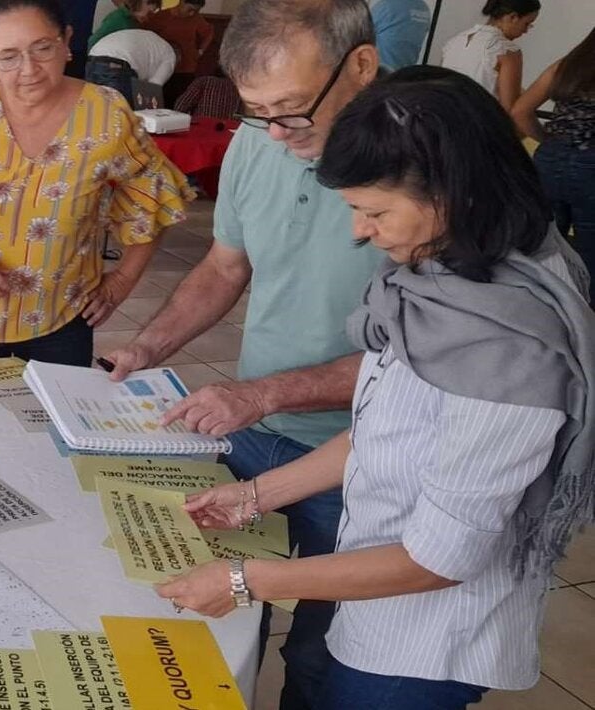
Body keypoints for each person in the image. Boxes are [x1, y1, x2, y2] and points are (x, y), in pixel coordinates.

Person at [159, 66, 594, 710]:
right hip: (371, 595)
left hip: (418, 644)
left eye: (374, 211)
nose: (360, 232)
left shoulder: (510, 346)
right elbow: (389, 426)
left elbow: (435, 560)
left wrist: (246, 580)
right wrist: (256, 495)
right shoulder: (446, 281)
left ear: (454, 191)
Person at [99, 0, 385, 706]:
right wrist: (146, 346)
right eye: (258, 113)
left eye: (291, 110)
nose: (277, 134)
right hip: (252, 433)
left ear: (362, 67)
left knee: (327, 654)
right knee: (206, 607)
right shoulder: (261, 139)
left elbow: (416, 368)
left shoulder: (422, 169)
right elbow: (226, 267)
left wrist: (257, 395)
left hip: (363, 458)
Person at [0, 0, 193, 366]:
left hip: (63, 321)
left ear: (67, 42)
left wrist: (121, 282)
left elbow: (155, 197)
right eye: (9, 56)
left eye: (43, 48)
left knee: (55, 421)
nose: (29, 70)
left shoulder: (107, 114)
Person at [513, 28, 595, 297]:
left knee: (540, 243)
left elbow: (520, 111)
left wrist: (549, 140)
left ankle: (533, 306)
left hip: (549, 159)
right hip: (590, 166)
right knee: (589, 251)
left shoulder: (567, 66)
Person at [440, 0, 539, 110]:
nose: (525, 31)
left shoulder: (452, 42)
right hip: (479, 123)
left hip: (443, 118)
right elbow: (509, 110)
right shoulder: (508, 51)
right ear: (513, 17)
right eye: (527, 24)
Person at [142, 0, 213, 106]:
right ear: (181, 3)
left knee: (180, 103)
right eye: (190, 10)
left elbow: (209, 34)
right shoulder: (160, 17)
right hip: (163, 67)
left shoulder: (197, 19)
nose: (192, 13)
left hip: (186, 69)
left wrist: (200, 51)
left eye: (196, 11)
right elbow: (146, 34)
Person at [87, 24, 175, 106]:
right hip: (118, 63)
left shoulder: (152, 41)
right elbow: (153, 87)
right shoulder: (170, 57)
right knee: (120, 112)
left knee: (95, 108)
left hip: (93, 58)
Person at [368, 0, 431, 69]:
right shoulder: (424, 9)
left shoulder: (387, 6)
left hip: (382, 72)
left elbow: (359, 32)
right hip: (405, 72)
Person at [87, 0, 158, 50]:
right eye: (149, 13)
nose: (147, 18)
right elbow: (93, 41)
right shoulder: (118, 18)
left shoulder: (136, 22)